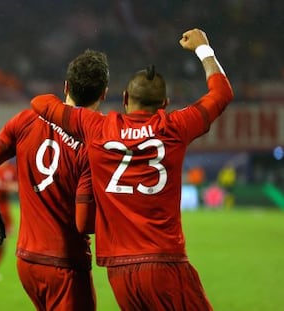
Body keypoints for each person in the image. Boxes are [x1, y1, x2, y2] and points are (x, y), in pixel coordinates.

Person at [31, 28, 234, 310]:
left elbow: (40, 103)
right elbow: (222, 93)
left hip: (119, 271)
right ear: (164, 104)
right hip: (164, 262)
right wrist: (204, 49)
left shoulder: (96, 127)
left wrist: (78, 109)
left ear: (125, 98)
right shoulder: (175, 127)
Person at [0, 49, 109, 310]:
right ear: (103, 94)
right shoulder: (95, 142)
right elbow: (84, 222)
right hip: (65, 264)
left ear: (66, 86)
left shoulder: (25, 120)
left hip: (27, 261)